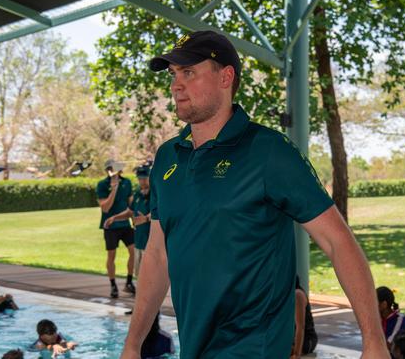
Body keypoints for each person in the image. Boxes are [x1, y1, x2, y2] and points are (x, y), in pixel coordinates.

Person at [120, 30, 388, 358]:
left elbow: (338, 241)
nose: (176, 85)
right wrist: (133, 344)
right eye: (174, 75)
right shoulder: (167, 158)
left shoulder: (269, 152)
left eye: (188, 73)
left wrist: (374, 343)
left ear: (226, 77)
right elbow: (159, 255)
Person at [97, 159, 136, 298]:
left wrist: (134, 222)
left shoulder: (127, 183)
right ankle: (113, 285)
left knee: (134, 252)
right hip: (110, 226)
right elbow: (105, 208)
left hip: (125, 225)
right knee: (111, 255)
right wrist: (114, 189)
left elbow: (131, 204)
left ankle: (129, 282)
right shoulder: (102, 185)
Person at [291, 276, 317, 358]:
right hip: (292, 338)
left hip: (306, 339)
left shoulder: (297, 294)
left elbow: (300, 327)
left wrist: (297, 353)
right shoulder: (287, 295)